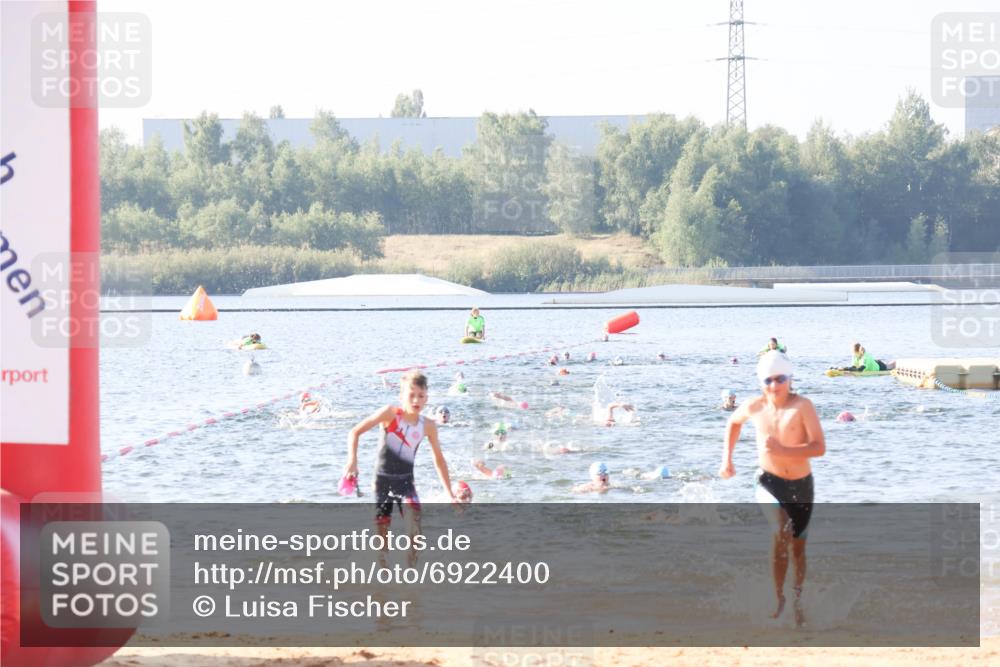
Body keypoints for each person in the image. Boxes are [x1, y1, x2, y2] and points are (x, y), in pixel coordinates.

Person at [719, 351, 825, 627]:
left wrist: (783, 449)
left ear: (790, 379)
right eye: (768, 380)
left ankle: (797, 600)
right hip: (768, 482)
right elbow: (733, 423)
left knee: (798, 549)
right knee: (781, 531)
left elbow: (819, 447)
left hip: (801, 485)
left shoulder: (803, 406)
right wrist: (727, 460)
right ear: (761, 382)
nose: (774, 386)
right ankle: (778, 598)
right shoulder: (754, 406)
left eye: (780, 379)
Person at [344, 370, 458, 565]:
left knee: (415, 529)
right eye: (411, 395)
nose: (416, 400)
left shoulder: (427, 425)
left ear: (426, 398)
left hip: (406, 483)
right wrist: (352, 461)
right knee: (383, 536)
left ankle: (410, 572)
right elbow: (355, 432)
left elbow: (439, 460)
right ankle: (383, 571)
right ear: (401, 396)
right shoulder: (390, 414)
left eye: (421, 396)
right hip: (383, 482)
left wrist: (449, 493)